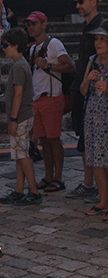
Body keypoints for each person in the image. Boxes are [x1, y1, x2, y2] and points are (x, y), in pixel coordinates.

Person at [26, 11, 75, 193]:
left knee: (54, 139)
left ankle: (58, 178)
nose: (30, 27)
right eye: (29, 24)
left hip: (52, 97)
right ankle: (48, 176)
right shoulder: (32, 49)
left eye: (34, 23)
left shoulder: (54, 44)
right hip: (38, 98)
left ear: (43, 24)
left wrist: (48, 65)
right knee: (44, 140)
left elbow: (70, 66)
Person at [0, 27, 42, 206]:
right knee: (18, 154)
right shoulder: (22, 64)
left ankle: (33, 190)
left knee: (22, 155)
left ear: (15, 46)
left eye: (6, 45)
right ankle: (19, 189)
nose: (3, 48)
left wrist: (13, 119)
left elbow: (18, 94)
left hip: (20, 117)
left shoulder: (18, 67)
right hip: (24, 116)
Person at [66, 0, 104, 201]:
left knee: (97, 142)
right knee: (84, 140)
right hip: (81, 89)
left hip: (95, 93)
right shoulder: (88, 27)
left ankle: (100, 186)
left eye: (81, 1)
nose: (78, 6)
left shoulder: (101, 26)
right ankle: (89, 183)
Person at [80, 20, 108, 219]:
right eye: (96, 39)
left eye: (102, 39)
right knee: (96, 160)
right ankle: (103, 200)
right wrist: (88, 79)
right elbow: (82, 90)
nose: (98, 42)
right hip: (93, 115)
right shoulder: (92, 60)